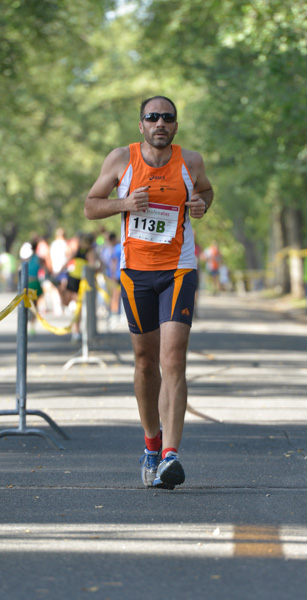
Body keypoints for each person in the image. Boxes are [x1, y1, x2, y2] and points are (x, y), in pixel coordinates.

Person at [84, 95, 213, 489]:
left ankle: (171, 456)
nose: (160, 123)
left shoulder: (190, 162)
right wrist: (124, 202)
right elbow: (91, 206)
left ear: (175, 126)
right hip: (135, 273)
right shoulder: (121, 159)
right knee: (145, 361)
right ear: (141, 125)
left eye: (167, 118)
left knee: (173, 360)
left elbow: (207, 191)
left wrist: (201, 204)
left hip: (178, 269)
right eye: (152, 117)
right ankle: (152, 445)